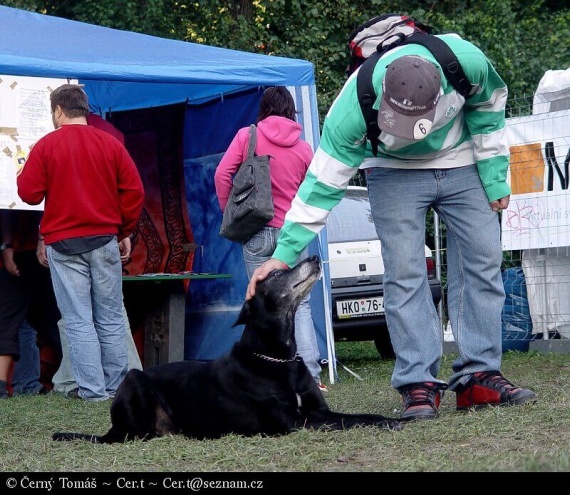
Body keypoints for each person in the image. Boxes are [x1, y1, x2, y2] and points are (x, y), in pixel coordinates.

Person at [246, 34, 537, 420]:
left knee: (483, 259)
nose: (405, 132)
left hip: (462, 160)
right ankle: (418, 383)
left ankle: (479, 376)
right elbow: (321, 187)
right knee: (405, 271)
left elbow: (489, 106)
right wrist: (282, 255)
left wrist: (494, 173)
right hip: (391, 171)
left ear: (441, 92)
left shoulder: (465, 62)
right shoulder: (351, 107)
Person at [17, 84, 145, 402]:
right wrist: (123, 231)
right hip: (104, 240)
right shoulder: (110, 143)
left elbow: (28, 194)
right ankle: (119, 388)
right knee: (111, 315)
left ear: (58, 110)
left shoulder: (46, 146)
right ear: (84, 109)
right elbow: (135, 192)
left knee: (78, 319)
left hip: (63, 244)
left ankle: (92, 391)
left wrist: (23, 164)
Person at [214, 86, 325, 391]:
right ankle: (310, 375)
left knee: (260, 303)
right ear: (292, 110)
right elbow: (313, 193)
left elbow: (222, 175)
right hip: (293, 236)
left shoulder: (247, 137)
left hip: (256, 232)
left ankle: (263, 372)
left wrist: (231, 213)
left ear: (263, 109)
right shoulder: (303, 149)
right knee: (298, 305)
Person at [0, 209, 62, 398]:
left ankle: (23, 384)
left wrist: (7, 246)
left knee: (23, 322)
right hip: (39, 247)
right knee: (59, 321)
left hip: (34, 246)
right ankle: (24, 385)